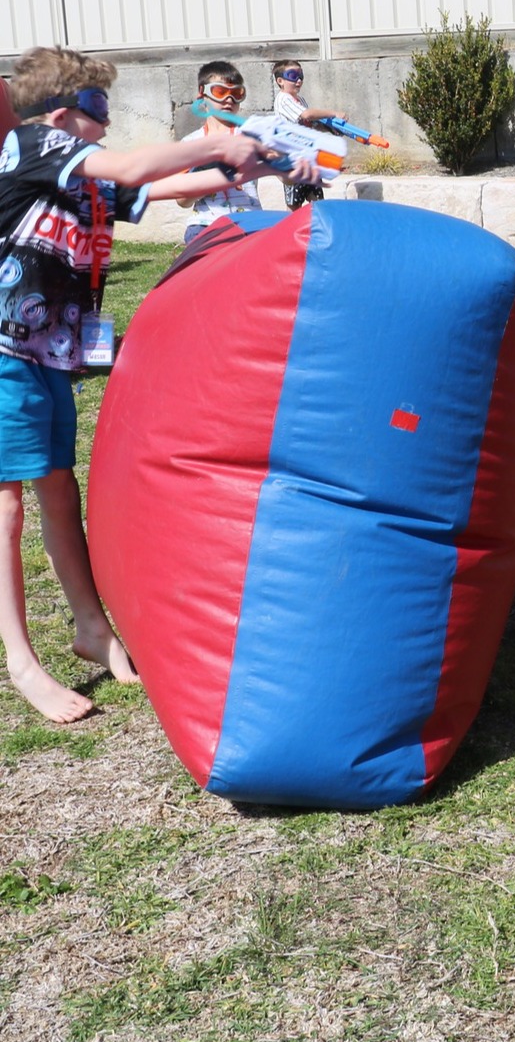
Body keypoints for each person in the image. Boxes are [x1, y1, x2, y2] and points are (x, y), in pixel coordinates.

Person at [0, 45, 316, 723]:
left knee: (58, 485)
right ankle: (21, 660)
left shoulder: (76, 174)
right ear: (62, 115)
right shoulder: (33, 145)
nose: (105, 128)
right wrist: (227, 141)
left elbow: (160, 188)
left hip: (45, 355)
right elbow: (139, 165)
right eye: (98, 114)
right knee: (6, 507)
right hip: (2, 355)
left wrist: (251, 161)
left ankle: (90, 628)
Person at [178, 60, 264, 243]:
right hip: (205, 225)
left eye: (236, 93)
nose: (229, 99)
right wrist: (207, 172)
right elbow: (182, 200)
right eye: (220, 92)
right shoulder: (190, 144)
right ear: (202, 96)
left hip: (250, 222)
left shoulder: (252, 136)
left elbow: (286, 177)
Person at [273, 59, 343, 210]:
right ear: (280, 81)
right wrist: (334, 113)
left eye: (301, 75)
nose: (298, 80)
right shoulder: (283, 99)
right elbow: (307, 115)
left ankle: (316, 229)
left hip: (307, 158)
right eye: (292, 75)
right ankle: (289, 232)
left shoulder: (300, 100)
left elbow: (309, 124)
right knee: (294, 205)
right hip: (292, 160)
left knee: (317, 200)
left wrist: (330, 129)